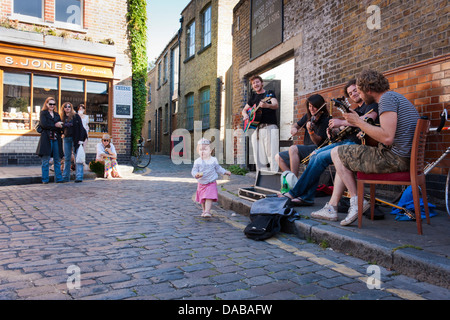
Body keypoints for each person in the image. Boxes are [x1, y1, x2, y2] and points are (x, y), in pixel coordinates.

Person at [329, 69, 420, 226]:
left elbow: (387, 137)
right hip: (403, 157)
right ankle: (354, 201)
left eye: (360, 91)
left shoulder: (386, 100)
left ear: (368, 90)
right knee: (345, 153)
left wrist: (358, 122)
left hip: (395, 159)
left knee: (337, 152)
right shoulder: (395, 97)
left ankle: (356, 201)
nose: (360, 96)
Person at [281, 78, 379, 207]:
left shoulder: (372, 105)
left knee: (319, 156)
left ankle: (294, 193)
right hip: (347, 142)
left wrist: (342, 122)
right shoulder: (356, 109)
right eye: (350, 93)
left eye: (355, 90)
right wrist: (334, 130)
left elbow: (367, 120)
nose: (354, 94)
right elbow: (346, 128)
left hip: (359, 145)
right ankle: (307, 197)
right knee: (314, 154)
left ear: (361, 89)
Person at [275, 94, 330, 178]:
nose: (311, 109)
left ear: (320, 106)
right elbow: (296, 125)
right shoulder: (308, 116)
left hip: (318, 149)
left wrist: (310, 131)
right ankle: (293, 180)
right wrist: (293, 128)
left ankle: (295, 184)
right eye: (309, 106)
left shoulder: (326, 119)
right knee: (278, 157)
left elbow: (317, 141)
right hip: (306, 149)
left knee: (293, 148)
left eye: (314, 106)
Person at [241, 75, 279, 173]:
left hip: (269, 127)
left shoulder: (269, 93)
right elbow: (244, 110)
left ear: (262, 83)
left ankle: (274, 179)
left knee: (272, 154)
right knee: (258, 157)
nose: (256, 84)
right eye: (253, 83)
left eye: (257, 82)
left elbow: (275, 105)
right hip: (255, 129)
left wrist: (267, 105)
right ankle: (261, 181)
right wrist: (245, 115)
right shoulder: (253, 97)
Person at [192, 138, 231, 218]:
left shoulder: (213, 160)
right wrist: (196, 174)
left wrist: (224, 172)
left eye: (205, 149)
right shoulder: (197, 161)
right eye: (200, 150)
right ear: (197, 151)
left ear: (210, 151)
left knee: (208, 197)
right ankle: (204, 210)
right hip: (201, 183)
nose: (202, 151)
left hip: (211, 182)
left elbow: (218, 168)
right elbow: (194, 170)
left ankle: (207, 211)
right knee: (202, 199)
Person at [36, 97, 64, 184]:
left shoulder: (56, 115)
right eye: (50, 104)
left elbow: (60, 126)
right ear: (46, 104)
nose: (52, 106)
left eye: (53, 104)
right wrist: (56, 125)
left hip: (56, 139)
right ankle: (45, 179)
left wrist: (60, 126)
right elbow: (44, 125)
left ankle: (59, 178)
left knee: (57, 160)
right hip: (46, 139)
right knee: (45, 160)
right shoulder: (43, 113)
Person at [61, 102, 87, 183]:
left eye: (69, 106)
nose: (67, 108)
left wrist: (81, 139)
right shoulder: (62, 117)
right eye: (65, 107)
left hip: (75, 139)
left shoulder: (76, 116)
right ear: (63, 108)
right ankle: (66, 177)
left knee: (77, 157)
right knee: (67, 158)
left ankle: (79, 176)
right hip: (66, 139)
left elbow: (81, 128)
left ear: (71, 108)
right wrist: (62, 133)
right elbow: (61, 128)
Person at [77, 104, 90, 169]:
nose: (81, 110)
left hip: (84, 134)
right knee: (76, 148)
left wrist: (87, 134)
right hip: (78, 134)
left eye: (82, 108)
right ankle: (76, 162)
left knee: (83, 149)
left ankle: (83, 162)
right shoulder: (76, 116)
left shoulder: (86, 117)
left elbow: (87, 126)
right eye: (80, 109)